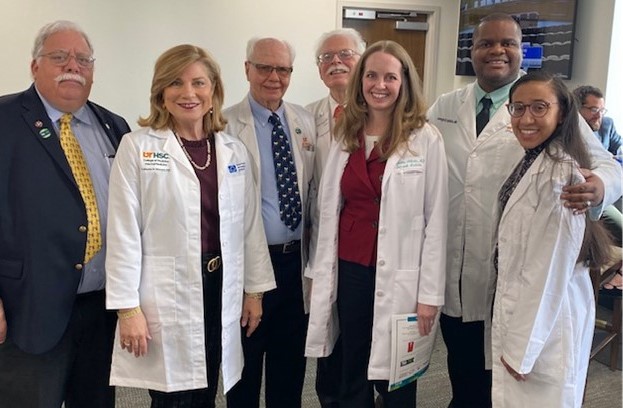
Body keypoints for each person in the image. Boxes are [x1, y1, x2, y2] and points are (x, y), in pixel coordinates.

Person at [427, 13, 622, 408]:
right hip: (456, 267)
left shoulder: (549, 106)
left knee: (507, 379)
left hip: (514, 274)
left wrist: (599, 186)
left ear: (522, 51)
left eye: (508, 43)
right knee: (462, 366)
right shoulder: (445, 106)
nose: (497, 51)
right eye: (486, 43)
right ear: (471, 51)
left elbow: (607, 164)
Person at [104, 44, 276, 408]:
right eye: (175, 83)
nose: (188, 93)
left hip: (221, 285)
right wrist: (127, 308)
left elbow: (249, 227)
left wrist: (255, 291)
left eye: (199, 82)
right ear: (160, 93)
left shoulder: (233, 151)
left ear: (213, 90)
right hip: (166, 291)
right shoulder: (136, 147)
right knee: (174, 396)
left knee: (208, 384)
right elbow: (122, 233)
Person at [305, 40, 448, 408]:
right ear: (361, 81)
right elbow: (329, 209)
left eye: (390, 77)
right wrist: (319, 271)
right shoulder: (345, 134)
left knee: (398, 373)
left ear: (404, 83)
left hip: (403, 272)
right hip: (350, 268)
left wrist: (429, 296)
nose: (379, 85)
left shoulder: (425, 138)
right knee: (352, 363)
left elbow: (436, 222)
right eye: (371, 76)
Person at [0, 20, 130, 408]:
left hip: (101, 311)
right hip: (28, 310)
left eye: (83, 59)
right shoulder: (5, 120)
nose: (73, 65)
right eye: (59, 57)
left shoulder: (114, 127)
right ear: (34, 65)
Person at [491, 71, 612, 407]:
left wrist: (522, 348)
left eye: (539, 107)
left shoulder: (562, 175)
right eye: (518, 108)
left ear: (562, 114)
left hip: (547, 323)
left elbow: (549, 268)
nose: (526, 118)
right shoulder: (534, 158)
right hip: (530, 310)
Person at [223, 37, 317, 408]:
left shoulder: (304, 120)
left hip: (295, 263)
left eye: (283, 69)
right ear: (247, 69)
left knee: (290, 369)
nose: (273, 77)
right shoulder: (224, 124)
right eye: (264, 67)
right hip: (249, 264)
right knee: (244, 371)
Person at [304, 27, 365, 408]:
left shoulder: (380, 114)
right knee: (326, 336)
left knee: (360, 336)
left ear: (362, 60)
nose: (335, 62)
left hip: (364, 248)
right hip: (320, 248)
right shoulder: (305, 117)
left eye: (345, 54)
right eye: (326, 57)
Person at [572, 85, 622, 156]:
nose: (599, 116)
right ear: (577, 109)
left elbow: (620, 149)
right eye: (594, 110)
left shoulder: (607, 125)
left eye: (601, 110)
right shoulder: (566, 130)